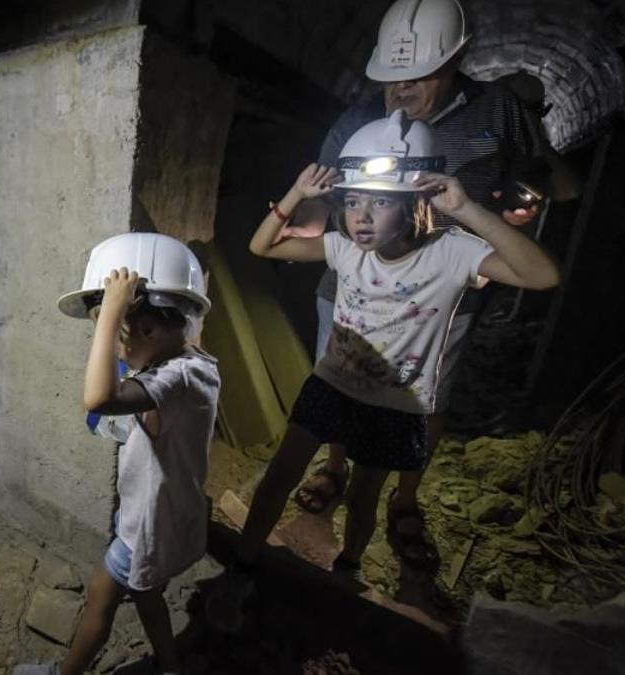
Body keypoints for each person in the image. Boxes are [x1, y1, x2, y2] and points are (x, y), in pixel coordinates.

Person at [279, 0, 567, 566]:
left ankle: (403, 497)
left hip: (438, 294)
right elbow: (327, 198)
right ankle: (335, 468)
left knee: (424, 396)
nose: (401, 90)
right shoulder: (354, 120)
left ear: (458, 60)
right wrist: (306, 227)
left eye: (419, 76)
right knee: (339, 382)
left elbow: (534, 173)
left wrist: (513, 211)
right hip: (352, 290)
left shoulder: (499, 113)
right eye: (391, 77)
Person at [239, 111, 559, 577]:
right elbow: (262, 247)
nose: (361, 217)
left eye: (380, 204)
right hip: (330, 386)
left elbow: (543, 275)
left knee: (364, 498)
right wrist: (296, 195)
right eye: (353, 203)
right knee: (279, 476)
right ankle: (244, 560)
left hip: (399, 405)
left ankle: (346, 570)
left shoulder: (453, 251)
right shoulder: (344, 249)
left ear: (414, 206)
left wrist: (469, 209)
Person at [16, 233, 221, 675]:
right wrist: (118, 318)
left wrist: (110, 311)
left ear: (146, 330)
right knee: (147, 594)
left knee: (100, 596)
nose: (110, 345)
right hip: (165, 517)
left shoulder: (176, 379)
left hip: (147, 526)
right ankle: (170, 665)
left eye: (113, 335)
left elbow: (98, 397)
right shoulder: (190, 364)